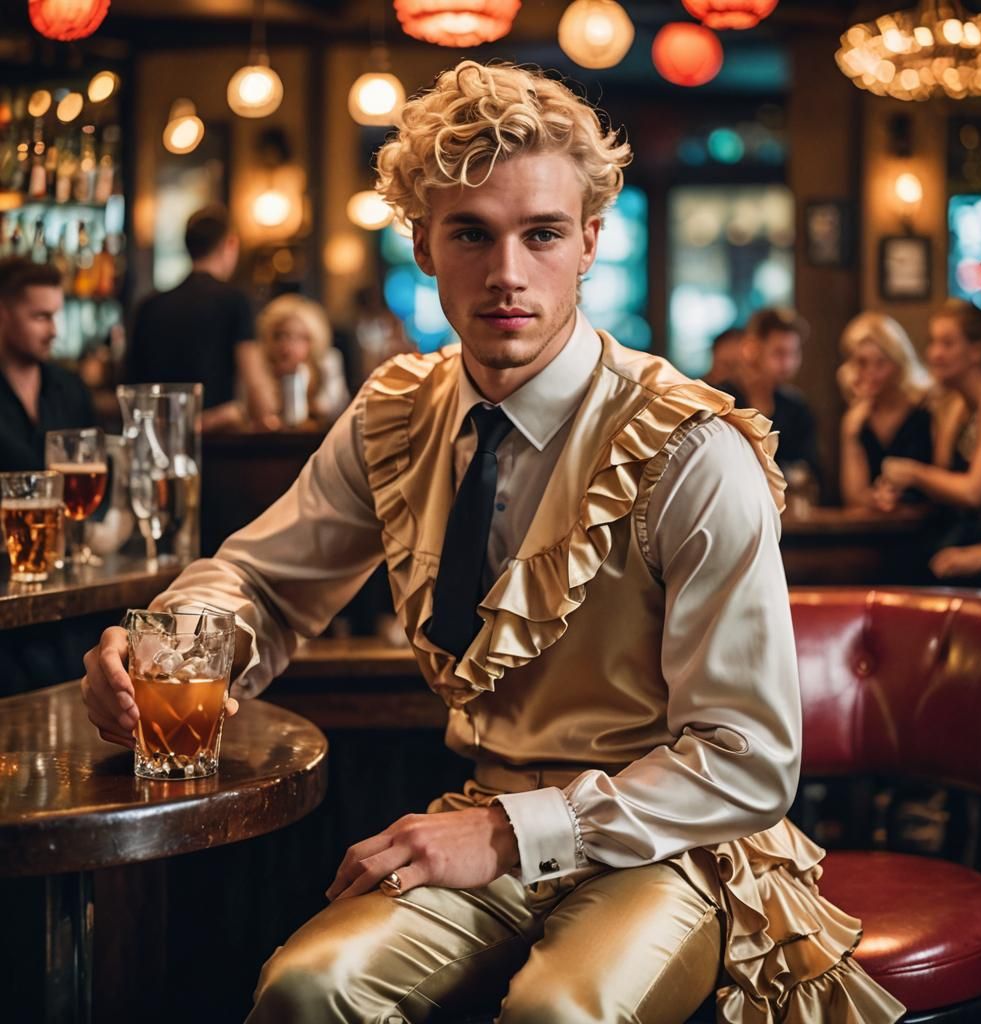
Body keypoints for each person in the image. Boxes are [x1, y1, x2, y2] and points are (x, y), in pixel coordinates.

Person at [81, 62, 903, 1023]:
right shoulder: (396, 416)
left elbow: (751, 757)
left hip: (674, 851)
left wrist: (513, 835)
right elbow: (259, 582)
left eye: (542, 233)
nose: (507, 273)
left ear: (591, 241)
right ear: (424, 243)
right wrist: (166, 638)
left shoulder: (689, 449)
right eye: (471, 233)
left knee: (558, 1015)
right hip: (476, 815)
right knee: (306, 991)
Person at [882, 299, 981, 587]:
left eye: (947, 344)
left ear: (977, 350)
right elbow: (945, 480)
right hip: (968, 536)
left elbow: (973, 492)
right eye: (932, 342)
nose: (934, 353)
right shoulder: (957, 406)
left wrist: (913, 473)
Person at [125, 204, 276, 432]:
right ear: (230, 244)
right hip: (215, 445)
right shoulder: (234, 300)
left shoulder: (149, 306)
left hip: (157, 439)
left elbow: (131, 390)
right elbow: (254, 381)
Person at [0, 257, 95, 471]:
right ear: (3, 315)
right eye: (41, 317)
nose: (53, 331)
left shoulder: (71, 390)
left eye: (55, 316)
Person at [836, 311, 933, 508]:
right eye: (862, 363)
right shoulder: (856, 420)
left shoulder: (926, 408)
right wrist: (851, 433)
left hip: (926, 525)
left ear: (898, 363)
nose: (871, 373)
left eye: (881, 363)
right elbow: (853, 498)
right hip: (877, 528)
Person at [719, 307, 821, 484]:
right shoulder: (722, 401)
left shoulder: (796, 407)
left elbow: (811, 471)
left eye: (794, 353)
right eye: (779, 353)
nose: (788, 364)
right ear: (751, 349)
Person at [256, 293, 350, 426]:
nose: (287, 345)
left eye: (297, 337)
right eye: (280, 336)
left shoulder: (327, 362)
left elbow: (333, 407)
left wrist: (300, 374)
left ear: (313, 340)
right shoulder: (259, 367)